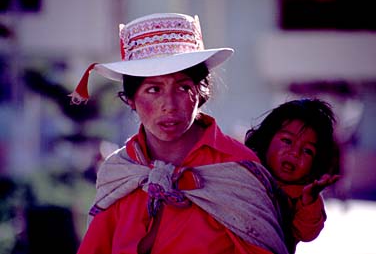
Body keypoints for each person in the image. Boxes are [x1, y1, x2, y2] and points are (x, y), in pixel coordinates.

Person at [69, 13, 288, 254]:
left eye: (184, 87)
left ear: (202, 92)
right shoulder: (119, 172)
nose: (169, 104)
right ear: (131, 99)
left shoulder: (239, 167)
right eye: (153, 89)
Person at [244, 98, 341, 253]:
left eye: (308, 150)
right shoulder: (243, 170)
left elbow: (307, 233)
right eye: (287, 141)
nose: (295, 153)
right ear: (266, 139)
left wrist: (310, 201)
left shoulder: (302, 196)